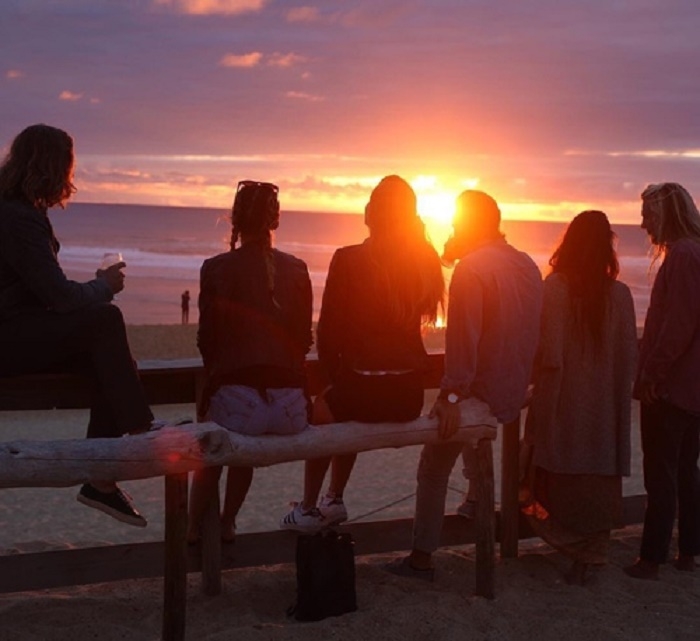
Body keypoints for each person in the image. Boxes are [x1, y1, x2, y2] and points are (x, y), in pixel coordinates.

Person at [0, 123, 157, 527]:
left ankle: (100, 477)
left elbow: (42, 290)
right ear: (53, 166)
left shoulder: (18, 211)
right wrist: (103, 287)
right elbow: (61, 297)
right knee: (105, 320)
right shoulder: (17, 217)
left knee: (105, 358)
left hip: (16, 330)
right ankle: (140, 429)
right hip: (9, 338)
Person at [387, 189, 543, 580]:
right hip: (514, 390)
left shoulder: (471, 269)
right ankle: (475, 501)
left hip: (480, 394)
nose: (453, 229)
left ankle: (421, 558)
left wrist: (451, 395)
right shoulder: (526, 264)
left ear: (470, 225)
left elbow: (463, 342)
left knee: (434, 465)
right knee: (475, 442)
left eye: (458, 223)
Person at [280, 175, 444, 532]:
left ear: (371, 214)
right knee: (345, 400)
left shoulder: (349, 258)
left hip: (364, 390)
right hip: (408, 397)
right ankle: (335, 498)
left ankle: (308, 506)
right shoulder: (421, 261)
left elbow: (328, 330)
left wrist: (330, 379)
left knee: (328, 409)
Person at [187, 180, 312, 543]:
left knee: (214, 440)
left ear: (235, 219)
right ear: (275, 221)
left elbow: (207, 340)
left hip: (241, 406)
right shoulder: (298, 268)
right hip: (290, 410)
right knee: (243, 440)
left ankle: (193, 530)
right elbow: (303, 340)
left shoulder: (216, 268)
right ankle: (228, 522)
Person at [520, 210, 637, 585]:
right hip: (604, 411)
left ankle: (578, 550)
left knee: (538, 480)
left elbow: (549, 353)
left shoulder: (556, 287)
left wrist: (537, 398)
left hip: (564, 404)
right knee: (595, 488)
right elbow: (628, 359)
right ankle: (592, 551)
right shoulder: (620, 294)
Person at [624, 182, 700, 580]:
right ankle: (688, 552)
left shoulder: (684, 255)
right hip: (691, 386)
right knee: (686, 470)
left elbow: (678, 326)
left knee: (662, 473)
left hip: (673, 387)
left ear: (666, 215)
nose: (643, 224)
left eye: (648, 216)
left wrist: (652, 374)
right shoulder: (691, 252)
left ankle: (651, 558)